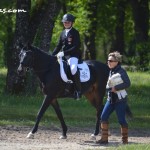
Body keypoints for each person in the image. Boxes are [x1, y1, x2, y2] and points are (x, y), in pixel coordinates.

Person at [97, 51, 131, 144]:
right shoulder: (110, 71)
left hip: (120, 100)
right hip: (111, 99)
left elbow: (128, 83)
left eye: (111, 61)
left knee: (121, 120)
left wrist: (116, 88)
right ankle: (104, 139)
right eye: (108, 60)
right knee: (103, 117)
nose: (108, 62)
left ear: (117, 62)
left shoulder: (121, 71)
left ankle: (125, 141)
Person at [52, 14, 82, 99]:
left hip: (73, 55)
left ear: (72, 23)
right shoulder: (62, 33)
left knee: (73, 69)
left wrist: (64, 53)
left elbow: (76, 46)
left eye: (68, 22)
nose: (66, 23)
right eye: (64, 22)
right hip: (63, 56)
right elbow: (58, 46)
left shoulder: (75, 33)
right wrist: (52, 55)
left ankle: (78, 91)